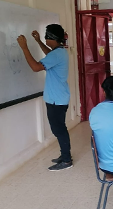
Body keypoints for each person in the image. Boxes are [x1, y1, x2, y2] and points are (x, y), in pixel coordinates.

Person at [17, 24, 72, 171]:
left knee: (59, 129)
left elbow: (35, 67)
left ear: (52, 38)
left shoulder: (57, 54)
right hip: (58, 97)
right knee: (59, 128)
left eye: (47, 36)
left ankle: (66, 160)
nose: (46, 38)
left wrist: (24, 48)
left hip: (56, 99)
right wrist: (38, 41)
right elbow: (49, 55)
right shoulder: (59, 52)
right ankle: (64, 155)